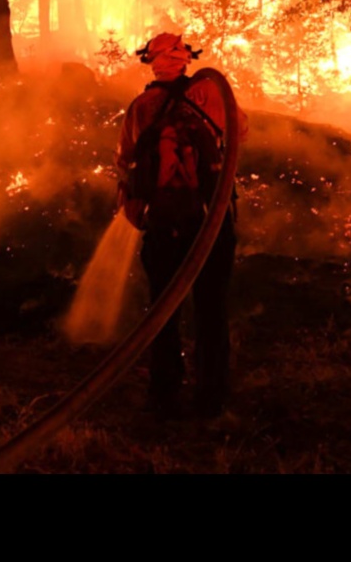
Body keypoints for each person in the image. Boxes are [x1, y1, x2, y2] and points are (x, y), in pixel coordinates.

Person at [116, 32, 246, 418]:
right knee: (211, 309)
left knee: (161, 309)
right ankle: (212, 395)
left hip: (164, 223)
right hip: (211, 220)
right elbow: (240, 132)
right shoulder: (210, 93)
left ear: (152, 62)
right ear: (185, 58)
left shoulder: (141, 106)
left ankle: (164, 390)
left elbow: (125, 162)